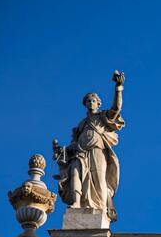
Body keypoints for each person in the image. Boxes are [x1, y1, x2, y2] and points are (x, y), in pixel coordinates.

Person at [53, 71, 125, 221]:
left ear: (98, 103)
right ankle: (77, 203)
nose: (90, 103)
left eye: (93, 101)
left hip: (97, 152)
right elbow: (74, 144)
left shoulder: (102, 117)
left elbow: (116, 108)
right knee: (75, 175)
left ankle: (99, 209)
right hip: (80, 153)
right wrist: (62, 151)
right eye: (88, 101)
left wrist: (118, 87)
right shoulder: (81, 124)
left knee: (98, 180)